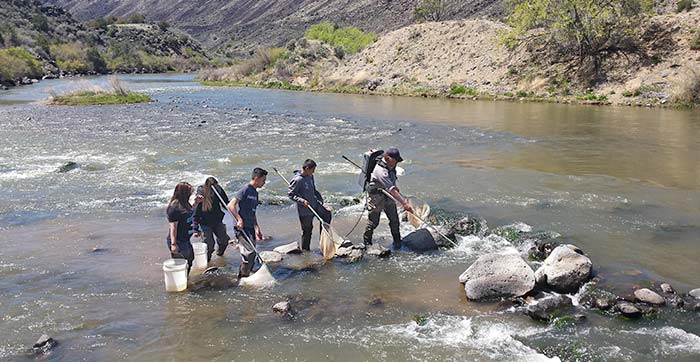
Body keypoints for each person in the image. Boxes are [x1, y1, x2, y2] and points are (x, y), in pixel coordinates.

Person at [363, 147, 414, 248]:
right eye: (394, 161)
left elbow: (392, 184)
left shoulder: (390, 164)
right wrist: (404, 204)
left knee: (394, 220)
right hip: (376, 197)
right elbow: (392, 190)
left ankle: (397, 241)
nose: (395, 164)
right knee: (374, 222)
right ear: (388, 159)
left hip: (388, 195)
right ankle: (367, 242)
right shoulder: (380, 171)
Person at [227, 167, 267, 278]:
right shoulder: (245, 189)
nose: (264, 183)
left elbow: (253, 212)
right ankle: (242, 277)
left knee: (252, 252)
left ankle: (249, 273)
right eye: (263, 180)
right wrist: (239, 219)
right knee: (249, 252)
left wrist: (257, 227)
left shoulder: (255, 193)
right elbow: (230, 205)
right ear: (257, 178)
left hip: (250, 226)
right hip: (242, 227)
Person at [287, 159, 332, 251]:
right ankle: (305, 251)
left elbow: (314, 190)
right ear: (307, 168)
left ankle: (323, 241)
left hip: (315, 204)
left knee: (326, 215)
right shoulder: (297, 180)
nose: (314, 172)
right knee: (307, 231)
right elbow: (291, 195)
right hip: (305, 210)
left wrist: (319, 197)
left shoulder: (310, 176)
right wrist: (302, 201)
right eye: (313, 169)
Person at [193, 177, 231, 262]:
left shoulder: (218, 190)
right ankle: (207, 261)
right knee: (209, 245)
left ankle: (220, 255)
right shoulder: (201, 191)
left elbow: (225, 203)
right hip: (205, 222)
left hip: (217, 220)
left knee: (224, 240)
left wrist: (233, 208)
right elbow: (195, 213)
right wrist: (195, 229)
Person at [166, 182, 198, 273]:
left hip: (185, 239)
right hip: (178, 241)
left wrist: (196, 203)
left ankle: (186, 280)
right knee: (182, 264)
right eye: (190, 192)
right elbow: (173, 227)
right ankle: (182, 282)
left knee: (190, 259)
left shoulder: (184, 203)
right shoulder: (174, 208)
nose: (191, 193)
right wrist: (173, 244)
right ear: (184, 193)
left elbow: (189, 213)